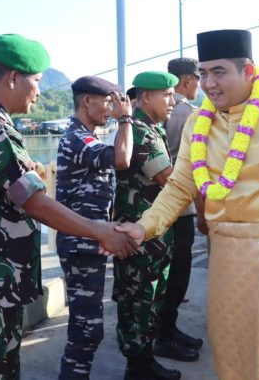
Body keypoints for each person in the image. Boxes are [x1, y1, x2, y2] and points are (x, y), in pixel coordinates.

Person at [118, 29, 259, 380]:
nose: (209, 83)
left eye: (219, 71)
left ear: (249, 71)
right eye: (204, 73)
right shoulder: (198, 122)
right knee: (230, 349)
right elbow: (180, 186)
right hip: (225, 251)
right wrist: (143, 227)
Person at [0, 34, 142, 379]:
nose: (38, 91)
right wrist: (99, 230)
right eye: (35, 81)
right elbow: (34, 201)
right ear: (12, 78)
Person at [55, 76, 133, 379]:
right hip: (80, 244)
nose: (112, 108)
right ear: (88, 101)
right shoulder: (77, 137)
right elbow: (121, 158)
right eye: (108, 101)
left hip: (88, 242)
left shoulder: (87, 136)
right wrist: (125, 118)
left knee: (87, 328)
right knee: (86, 329)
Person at [113, 71, 180, 380]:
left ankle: (145, 361)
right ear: (146, 97)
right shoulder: (139, 131)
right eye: (167, 94)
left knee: (151, 299)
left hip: (154, 235)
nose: (173, 100)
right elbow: (168, 179)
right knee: (137, 300)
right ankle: (137, 366)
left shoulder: (152, 129)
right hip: (138, 237)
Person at [153, 57, 205, 363]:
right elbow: (197, 167)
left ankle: (167, 329)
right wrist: (202, 210)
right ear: (186, 81)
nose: (201, 86)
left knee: (166, 273)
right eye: (198, 79)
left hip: (159, 206)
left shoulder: (162, 112)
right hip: (181, 206)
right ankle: (165, 334)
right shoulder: (189, 114)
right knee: (178, 274)